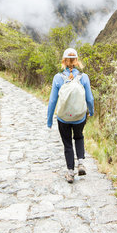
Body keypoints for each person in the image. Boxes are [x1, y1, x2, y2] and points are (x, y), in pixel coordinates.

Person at [47, 48, 94, 183]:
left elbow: (52, 101)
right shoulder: (84, 77)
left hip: (63, 118)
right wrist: (91, 111)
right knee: (79, 137)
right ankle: (80, 162)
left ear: (64, 61)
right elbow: (90, 99)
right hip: (80, 117)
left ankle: (70, 173)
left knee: (67, 144)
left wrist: (49, 120)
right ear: (77, 61)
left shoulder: (58, 78)